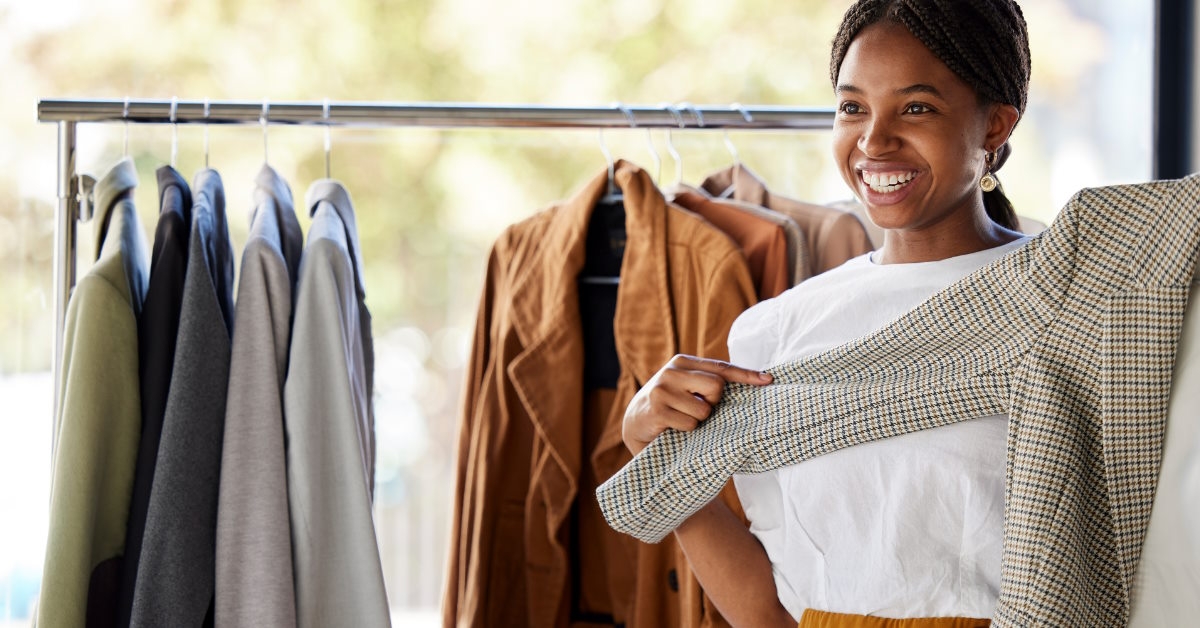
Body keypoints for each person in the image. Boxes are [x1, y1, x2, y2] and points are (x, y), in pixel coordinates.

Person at [620, 1, 1032, 626]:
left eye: (916, 107)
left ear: (996, 125)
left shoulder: (1072, 300)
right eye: (852, 107)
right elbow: (768, 609)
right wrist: (658, 450)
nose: (874, 140)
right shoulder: (777, 333)